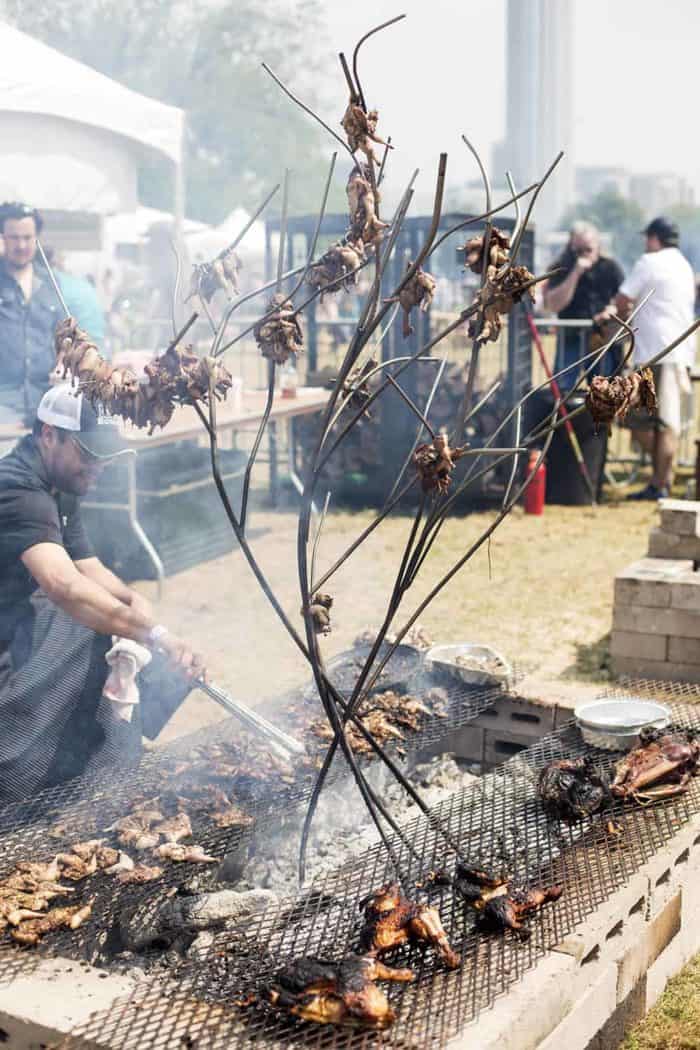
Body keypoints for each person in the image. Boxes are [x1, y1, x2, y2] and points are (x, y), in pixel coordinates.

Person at [0, 384, 206, 803]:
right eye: (88, 453)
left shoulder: (59, 484)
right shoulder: (18, 490)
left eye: (104, 455)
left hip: (15, 625)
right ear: (49, 434)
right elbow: (65, 586)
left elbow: (87, 567)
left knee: (117, 621)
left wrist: (135, 604)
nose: (98, 467)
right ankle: (32, 773)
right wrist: (155, 633)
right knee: (90, 626)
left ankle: (99, 770)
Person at [615, 217, 696, 500]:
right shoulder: (684, 265)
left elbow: (622, 299)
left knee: (639, 421)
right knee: (665, 422)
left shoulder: (649, 263)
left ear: (654, 239)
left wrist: (623, 319)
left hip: (655, 352)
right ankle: (662, 479)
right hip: (679, 352)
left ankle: (661, 480)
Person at [0, 202, 63, 423]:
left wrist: (62, 361)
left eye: (28, 237)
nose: (21, 245)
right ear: (2, 238)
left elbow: (63, 337)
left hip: (44, 403)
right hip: (3, 405)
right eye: (14, 237)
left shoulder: (51, 283)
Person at [542, 221, 625, 388]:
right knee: (563, 387)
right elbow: (552, 305)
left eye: (588, 250)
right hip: (570, 338)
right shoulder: (560, 268)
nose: (584, 255)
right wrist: (575, 273)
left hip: (601, 338)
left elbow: (624, 300)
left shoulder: (611, 267)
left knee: (604, 390)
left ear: (598, 246)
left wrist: (612, 310)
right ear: (571, 247)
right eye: (578, 251)